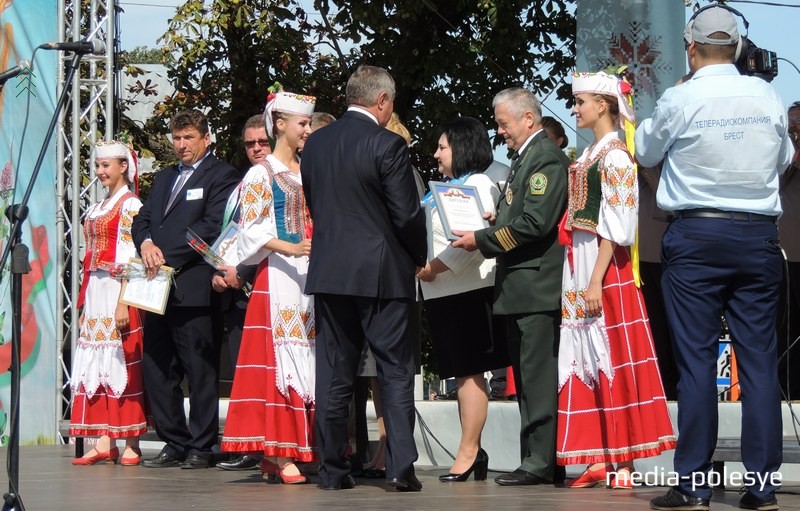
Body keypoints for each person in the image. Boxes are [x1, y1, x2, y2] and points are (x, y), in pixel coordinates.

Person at [635, 6, 793, 510]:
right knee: (760, 364)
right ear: (740, 48)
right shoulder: (766, 95)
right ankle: (762, 485)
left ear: (691, 48)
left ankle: (694, 483)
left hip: (697, 236)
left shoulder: (682, 96)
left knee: (696, 364)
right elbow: (786, 157)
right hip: (755, 235)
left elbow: (645, 149)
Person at [302, 65, 427, 492]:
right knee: (394, 369)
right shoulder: (388, 144)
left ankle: (333, 470)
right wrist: (417, 255)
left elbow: (317, 204)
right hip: (381, 272)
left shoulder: (315, 145)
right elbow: (407, 213)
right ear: (382, 101)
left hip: (330, 269)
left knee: (334, 373)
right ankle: (400, 468)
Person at [556, 72, 676, 489]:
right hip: (582, 262)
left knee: (613, 355)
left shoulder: (617, 157)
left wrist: (594, 280)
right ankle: (601, 453)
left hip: (605, 266)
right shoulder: (592, 152)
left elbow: (619, 226)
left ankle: (623, 458)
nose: (575, 109)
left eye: (581, 101)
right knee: (585, 355)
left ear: (604, 104)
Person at [451, 88, 569, 486]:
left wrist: (483, 239)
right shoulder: (526, 159)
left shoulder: (545, 158)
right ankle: (534, 458)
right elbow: (522, 215)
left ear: (528, 120)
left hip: (534, 285)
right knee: (528, 378)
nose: (500, 131)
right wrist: (495, 218)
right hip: (520, 284)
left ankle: (539, 462)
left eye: (504, 123)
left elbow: (536, 223)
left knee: (536, 379)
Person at [131, 109, 239, 469]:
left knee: (199, 369)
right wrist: (146, 244)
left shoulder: (221, 175)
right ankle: (173, 440)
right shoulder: (164, 178)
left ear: (206, 139)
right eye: (176, 138)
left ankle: (201, 445)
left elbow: (211, 226)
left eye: (189, 137)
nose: (181, 145)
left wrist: (165, 255)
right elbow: (142, 219)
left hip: (193, 286)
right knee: (158, 367)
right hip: (154, 286)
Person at [219, 90, 317, 484]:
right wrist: (292, 246)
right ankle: (277, 452)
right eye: (302, 123)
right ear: (280, 125)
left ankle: (289, 450)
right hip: (277, 273)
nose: (308, 130)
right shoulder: (261, 173)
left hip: (309, 274)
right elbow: (251, 231)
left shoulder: (306, 170)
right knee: (279, 363)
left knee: (303, 359)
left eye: (308, 123)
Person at [417, 116, 509, 482]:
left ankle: (468, 451)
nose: (436, 154)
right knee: (460, 373)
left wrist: (433, 268)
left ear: (462, 147)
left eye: (442, 147)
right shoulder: (446, 185)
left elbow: (474, 243)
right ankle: (475, 448)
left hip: (467, 290)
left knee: (470, 372)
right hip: (442, 292)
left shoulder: (479, 185)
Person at [69, 140, 146, 466]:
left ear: (123, 167)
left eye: (106, 166)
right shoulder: (100, 206)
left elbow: (133, 257)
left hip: (118, 288)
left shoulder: (130, 205)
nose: (100, 172)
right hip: (98, 289)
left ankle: (131, 442)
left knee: (121, 361)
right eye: (98, 166)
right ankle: (104, 438)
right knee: (98, 364)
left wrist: (122, 303)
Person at [214, 114, 268, 472]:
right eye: (249, 144)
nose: (256, 149)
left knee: (266, 371)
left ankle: (269, 446)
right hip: (235, 290)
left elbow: (270, 238)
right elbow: (232, 233)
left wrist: (242, 271)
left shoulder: (286, 178)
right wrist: (219, 269)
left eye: (261, 141)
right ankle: (250, 445)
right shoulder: (240, 186)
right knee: (241, 370)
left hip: (266, 284)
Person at [778, 101, 800, 398]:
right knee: (785, 330)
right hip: (784, 256)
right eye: (791, 128)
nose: (794, 134)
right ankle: (787, 391)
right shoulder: (782, 156)